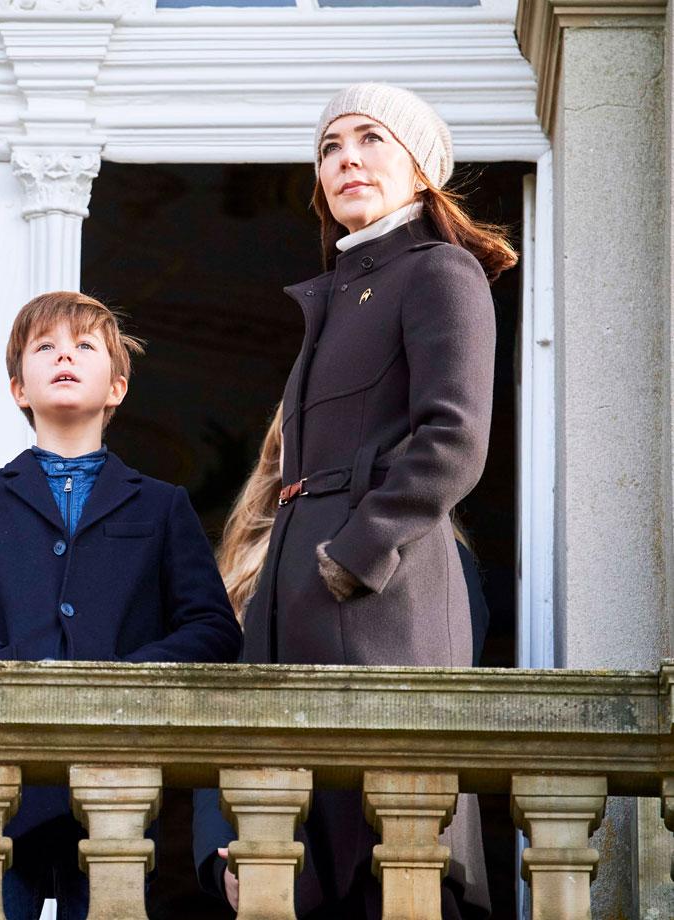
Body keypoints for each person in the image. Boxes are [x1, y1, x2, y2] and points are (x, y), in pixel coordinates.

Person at [230, 83, 517, 919]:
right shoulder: (340, 291)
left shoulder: (439, 272)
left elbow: (453, 439)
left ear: (422, 168)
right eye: (329, 147)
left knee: (396, 865)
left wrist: (357, 554)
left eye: (370, 139)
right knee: (313, 860)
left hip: (381, 601)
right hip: (299, 607)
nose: (346, 158)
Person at [0, 291, 243, 920]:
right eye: (45, 347)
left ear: (118, 388)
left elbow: (213, 628)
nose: (64, 356)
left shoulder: (162, 505)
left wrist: (122, 673)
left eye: (84, 346)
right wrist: (4, 662)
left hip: (118, 788)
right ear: (19, 387)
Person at [194, 402, 495, 911]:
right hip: (281, 849)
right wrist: (220, 855)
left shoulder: (444, 563)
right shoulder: (241, 579)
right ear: (281, 452)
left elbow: (448, 711)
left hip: (408, 842)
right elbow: (218, 726)